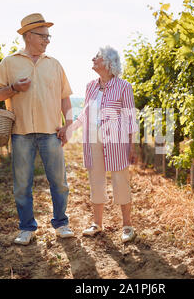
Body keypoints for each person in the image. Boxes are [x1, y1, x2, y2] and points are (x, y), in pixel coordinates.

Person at [0, 13, 75, 245]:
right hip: (21, 132)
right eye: (43, 36)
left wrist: (68, 125)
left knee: (59, 182)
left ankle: (61, 223)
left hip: (51, 132)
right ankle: (26, 227)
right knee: (22, 185)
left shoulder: (54, 64)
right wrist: (14, 88)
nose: (47, 40)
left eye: (49, 36)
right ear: (28, 36)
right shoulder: (9, 62)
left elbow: (65, 98)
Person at [59, 46, 139, 243]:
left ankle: (127, 226)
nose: (93, 58)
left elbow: (130, 118)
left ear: (108, 63)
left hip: (116, 141)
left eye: (98, 57)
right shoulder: (91, 86)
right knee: (96, 181)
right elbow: (85, 114)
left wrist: (133, 146)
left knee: (120, 182)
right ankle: (97, 224)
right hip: (92, 139)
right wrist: (69, 129)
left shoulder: (124, 87)